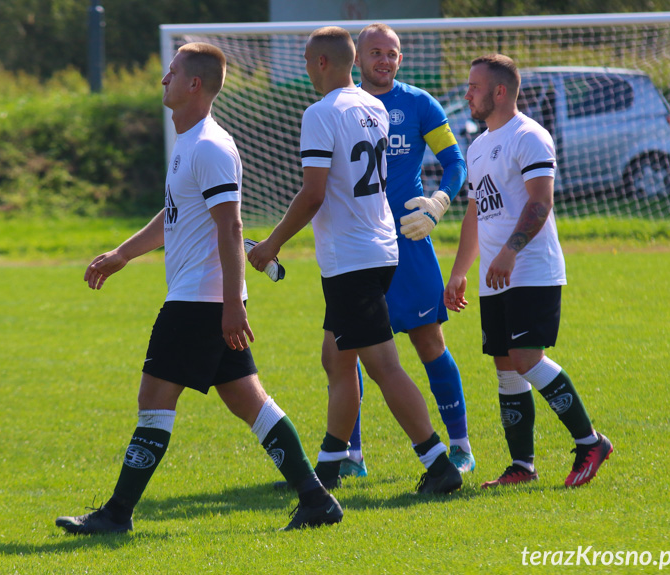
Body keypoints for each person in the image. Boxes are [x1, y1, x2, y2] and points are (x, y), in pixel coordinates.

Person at [55, 42, 342, 534]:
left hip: (199, 302)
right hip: (206, 300)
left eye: (171, 73)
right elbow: (174, 218)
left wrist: (232, 306)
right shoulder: (188, 142)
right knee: (248, 400)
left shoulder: (208, 146)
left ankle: (117, 514)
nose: (163, 80)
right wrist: (123, 253)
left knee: (154, 399)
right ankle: (316, 499)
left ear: (194, 84)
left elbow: (231, 227)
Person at [248, 26, 462, 495]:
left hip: (352, 257)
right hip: (380, 247)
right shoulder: (374, 108)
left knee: (383, 366)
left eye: (307, 61)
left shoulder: (320, 113)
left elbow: (313, 193)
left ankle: (438, 461)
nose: (306, 69)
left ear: (322, 62)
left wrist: (271, 244)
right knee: (337, 360)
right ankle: (329, 468)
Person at [444, 54, 613, 488]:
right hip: (494, 276)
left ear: (500, 92)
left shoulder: (529, 136)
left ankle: (590, 441)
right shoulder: (478, 145)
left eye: (474, 87)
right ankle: (522, 466)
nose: (467, 95)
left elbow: (540, 202)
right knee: (505, 365)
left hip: (531, 269)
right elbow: (474, 215)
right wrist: (461, 271)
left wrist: (510, 252)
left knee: (525, 358)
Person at [337, 23, 474, 479]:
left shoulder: (418, 104)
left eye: (391, 53)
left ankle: (459, 446)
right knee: (350, 349)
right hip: (357, 247)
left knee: (429, 341)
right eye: (375, 52)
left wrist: (439, 202)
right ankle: (350, 455)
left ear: (400, 59)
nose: (384, 60)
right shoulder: (340, 106)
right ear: (357, 58)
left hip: (410, 244)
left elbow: (455, 161)